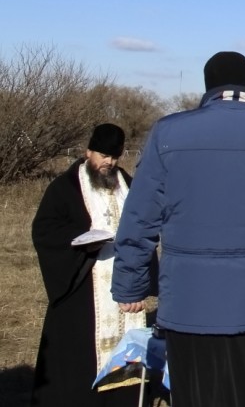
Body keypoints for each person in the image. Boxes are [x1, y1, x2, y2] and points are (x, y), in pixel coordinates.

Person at [112, 51, 245, 407]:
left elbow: (139, 218)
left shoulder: (168, 134)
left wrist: (131, 286)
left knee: (197, 395)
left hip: (188, 303)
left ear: (209, 87)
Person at [31, 123, 150, 406]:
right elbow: (45, 230)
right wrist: (82, 241)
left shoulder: (127, 184)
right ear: (88, 151)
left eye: (114, 156)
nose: (108, 162)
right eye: (102, 155)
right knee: (78, 352)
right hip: (82, 282)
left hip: (121, 282)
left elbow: (144, 228)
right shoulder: (65, 187)